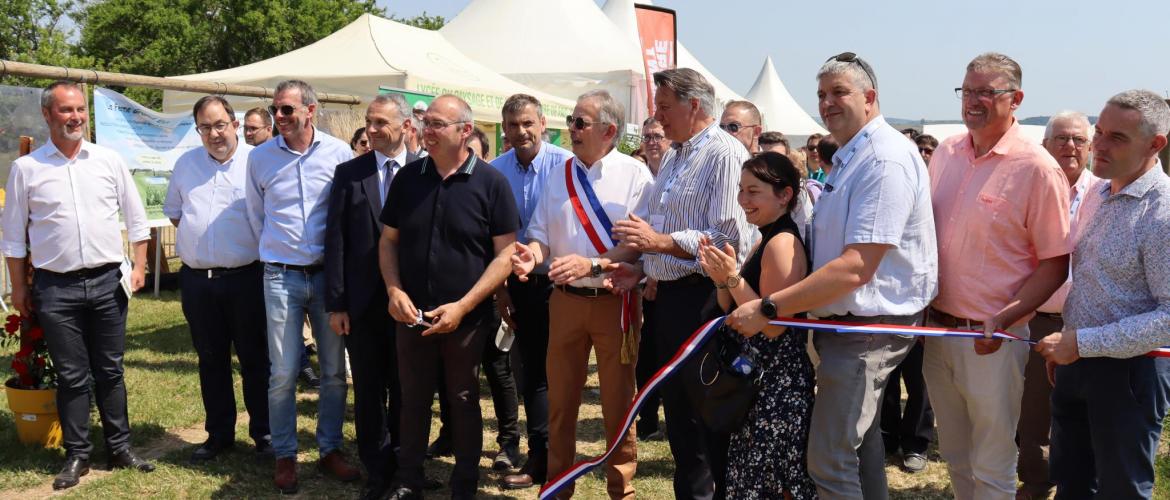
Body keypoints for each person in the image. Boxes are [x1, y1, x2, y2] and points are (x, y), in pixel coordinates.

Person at [726, 52, 938, 500]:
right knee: (858, 457)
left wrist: (768, 307)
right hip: (847, 328)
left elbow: (858, 265)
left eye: (839, 92)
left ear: (870, 97)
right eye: (822, 94)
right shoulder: (853, 156)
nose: (827, 103)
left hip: (866, 332)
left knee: (829, 459)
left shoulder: (883, 160)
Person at [925, 53, 1071, 500]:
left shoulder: (1038, 168)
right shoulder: (947, 151)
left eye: (987, 92)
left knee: (992, 461)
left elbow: (1055, 262)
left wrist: (1006, 317)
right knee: (954, 451)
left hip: (992, 339)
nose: (973, 101)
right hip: (938, 329)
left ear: (1016, 99)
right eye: (968, 91)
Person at [1, 80, 155, 490]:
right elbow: (14, 238)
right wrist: (19, 288)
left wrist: (138, 267)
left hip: (107, 282)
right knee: (71, 375)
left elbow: (137, 219)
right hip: (55, 288)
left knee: (110, 370)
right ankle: (78, 455)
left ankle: (120, 449)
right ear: (48, 114)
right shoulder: (27, 169)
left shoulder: (108, 160)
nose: (76, 118)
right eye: (66, 110)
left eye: (80, 110)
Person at [612, 67, 753, 500]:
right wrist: (645, 266)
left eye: (665, 106)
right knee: (679, 417)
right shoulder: (675, 155)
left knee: (707, 417)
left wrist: (660, 243)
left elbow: (728, 236)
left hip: (704, 300)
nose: (658, 116)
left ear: (694, 106)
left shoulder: (725, 154)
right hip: (669, 300)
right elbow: (661, 224)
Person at [511, 89, 653, 499]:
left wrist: (593, 264)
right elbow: (540, 235)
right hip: (565, 301)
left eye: (579, 122)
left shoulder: (635, 176)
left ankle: (620, 489)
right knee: (561, 402)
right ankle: (558, 487)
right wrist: (529, 256)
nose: (570, 129)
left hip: (614, 302)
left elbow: (637, 244)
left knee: (617, 405)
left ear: (609, 130)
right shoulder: (560, 174)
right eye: (571, 120)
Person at [379, 94, 519, 500]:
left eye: (439, 124)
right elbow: (388, 242)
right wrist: (393, 290)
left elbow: (506, 255)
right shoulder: (408, 179)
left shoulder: (491, 183)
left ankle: (465, 484)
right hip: (411, 313)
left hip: (467, 318)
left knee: (462, 398)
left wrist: (464, 306)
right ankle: (408, 480)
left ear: (465, 131)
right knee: (413, 397)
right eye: (427, 123)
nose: (428, 130)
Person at [1036, 89, 1170, 500]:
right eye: (1100, 131)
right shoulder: (1100, 191)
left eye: (1117, 137)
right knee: (1072, 481)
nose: (1099, 145)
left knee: (1121, 489)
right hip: (1079, 365)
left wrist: (1082, 343)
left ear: (1156, 144)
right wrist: (1073, 349)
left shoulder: (1162, 213)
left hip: (1130, 375)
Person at [246, 79, 360, 493]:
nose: (279, 117)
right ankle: (285, 455)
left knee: (332, 372)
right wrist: (278, 253)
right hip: (280, 275)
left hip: (328, 276)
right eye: (276, 110)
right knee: (283, 372)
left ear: (310, 111)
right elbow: (257, 216)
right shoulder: (259, 159)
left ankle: (329, 448)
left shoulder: (337, 153)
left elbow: (345, 216)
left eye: (287, 110)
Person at [698, 152, 815, 499]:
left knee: (774, 481)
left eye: (753, 191)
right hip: (755, 383)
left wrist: (731, 278)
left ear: (784, 195)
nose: (743, 200)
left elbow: (774, 326)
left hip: (776, 385)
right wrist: (722, 278)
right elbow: (732, 305)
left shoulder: (783, 244)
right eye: (741, 190)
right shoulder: (764, 238)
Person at [162, 96, 271, 464]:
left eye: (220, 124)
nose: (214, 134)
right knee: (211, 360)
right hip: (198, 282)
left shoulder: (257, 163)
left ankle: (264, 433)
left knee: (256, 359)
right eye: (205, 127)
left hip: (247, 279)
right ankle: (219, 434)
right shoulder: (186, 164)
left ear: (236, 124)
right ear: (198, 131)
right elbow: (177, 214)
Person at [324, 93, 419, 500]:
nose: (373, 129)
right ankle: (376, 470)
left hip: (411, 304)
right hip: (362, 306)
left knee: (408, 390)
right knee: (368, 390)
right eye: (369, 122)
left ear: (404, 126)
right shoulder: (349, 174)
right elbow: (336, 242)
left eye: (381, 122)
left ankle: (405, 467)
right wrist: (338, 304)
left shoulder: (425, 171)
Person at [1016, 111, 1103, 500]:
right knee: (1034, 414)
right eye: (1061, 139)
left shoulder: (1106, 193)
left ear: (1090, 147)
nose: (1070, 146)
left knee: (1086, 415)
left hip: (1089, 326)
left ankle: (1080, 485)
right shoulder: (1027, 189)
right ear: (1045, 145)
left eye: (1078, 140)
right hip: (1035, 321)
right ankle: (1036, 484)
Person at [430, 121, 522, 475]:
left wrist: (502, 292)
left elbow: (502, 250)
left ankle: (509, 441)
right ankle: (450, 434)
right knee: (450, 376)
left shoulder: (492, 187)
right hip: (450, 300)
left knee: (498, 370)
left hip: (491, 294)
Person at [493, 94, 574, 490]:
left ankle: (562, 457)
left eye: (527, 123)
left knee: (564, 375)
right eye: (512, 125)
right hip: (519, 287)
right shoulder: (495, 171)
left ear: (543, 124)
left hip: (565, 283)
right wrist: (501, 291)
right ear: (504, 129)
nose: (520, 132)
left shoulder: (567, 167)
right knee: (533, 374)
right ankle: (541, 457)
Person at [634, 116, 669, 443]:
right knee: (645, 355)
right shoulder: (641, 177)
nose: (652, 141)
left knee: (666, 352)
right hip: (640, 276)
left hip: (667, 275)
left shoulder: (675, 177)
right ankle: (646, 417)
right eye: (647, 136)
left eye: (658, 135)